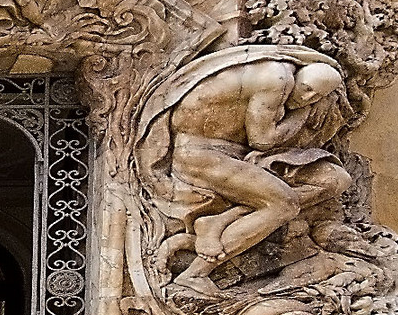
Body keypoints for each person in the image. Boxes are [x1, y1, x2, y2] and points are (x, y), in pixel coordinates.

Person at [134, 49, 353, 299]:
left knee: (336, 179)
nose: (308, 98)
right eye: (307, 88)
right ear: (300, 73)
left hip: (232, 152)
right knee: (284, 204)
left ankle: (220, 221)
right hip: (200, 153)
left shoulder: (278, 72)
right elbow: (262, 139)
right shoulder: (277, 79)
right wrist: (302, 115)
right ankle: (195, 274)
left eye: (317, 96)